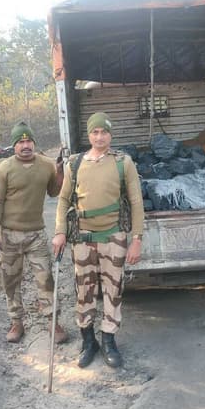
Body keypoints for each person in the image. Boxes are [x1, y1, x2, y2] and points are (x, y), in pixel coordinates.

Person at [52, 111, 144, 369]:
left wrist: (136, 239)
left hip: (113, 236)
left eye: (104, 132)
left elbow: (136, 202)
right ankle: (88, 341)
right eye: (95, 132)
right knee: (84, 290)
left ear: (110, 135)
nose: (99, 137)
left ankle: (109, 341)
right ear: (89, 134)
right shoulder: (75, 163)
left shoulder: (123, 162)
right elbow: (63, 199)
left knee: (113, 290)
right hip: (82, 237)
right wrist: (60, 231)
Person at [0, 122, 66, 344]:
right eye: (20, 142)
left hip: (36, 235)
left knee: (45, 279)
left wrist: (60, 173)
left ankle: (52, 321)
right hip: (9, 235)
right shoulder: (4, 168)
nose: (25, 145)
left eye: (29, 141)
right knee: (10, 281)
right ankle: (16, 322)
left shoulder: (46, 165)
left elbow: (54, 192)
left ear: (34, 142)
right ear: (14, 146)